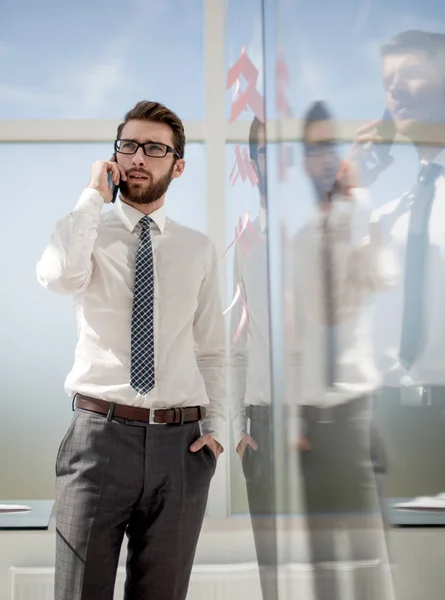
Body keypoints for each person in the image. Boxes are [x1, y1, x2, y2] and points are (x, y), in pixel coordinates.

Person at [36, 101, 226, 600]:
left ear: (177, 165)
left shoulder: (199, 248)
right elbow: (57, 276)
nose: (139, 157)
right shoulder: (87, 230)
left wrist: (219, 431)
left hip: (182, 448)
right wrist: (91, 196)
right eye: (128, 146)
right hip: (99, 441)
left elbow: (213, 348)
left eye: (155, 148)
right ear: (114, 157)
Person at [293, 101, 396, 600]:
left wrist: (359, 204)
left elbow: (383, 277)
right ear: (304, 161)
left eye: (330, 145)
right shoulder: (299, 242)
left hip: (356, 413)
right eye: (314, 148)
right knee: (324, 567)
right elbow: (295, 337)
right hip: (311, 421)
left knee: (370, 562)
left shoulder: (361, 219)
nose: (325, 157)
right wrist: (293, 417)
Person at [358, 30, 445, 507]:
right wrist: (354, 186)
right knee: (403, 578)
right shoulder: (386, 214)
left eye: (410, 72)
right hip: (394, 426)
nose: (395, 89)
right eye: (388, 80)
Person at [231, 117, 279, 600]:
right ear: (254, 162)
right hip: (261, 428)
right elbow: (238, 340)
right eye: (266, 149)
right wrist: (238, 429)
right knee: (274, 569)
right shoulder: (246, 236)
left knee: (325, 562)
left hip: (322, 422)